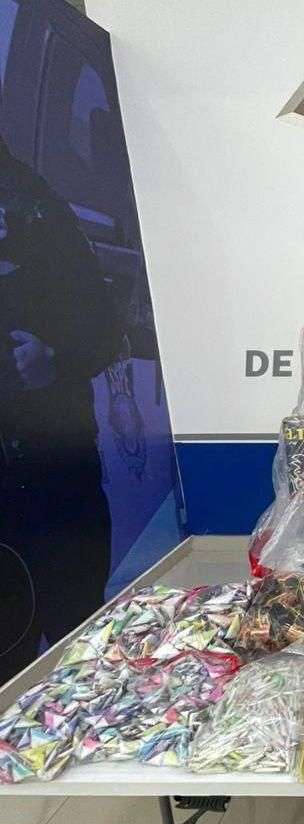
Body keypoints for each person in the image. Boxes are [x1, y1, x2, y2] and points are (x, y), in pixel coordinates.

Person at [0, 135, 119, 683]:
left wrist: (54, 359)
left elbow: (105, 329)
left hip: (53, 470)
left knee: (80, 641)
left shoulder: (36, 204)